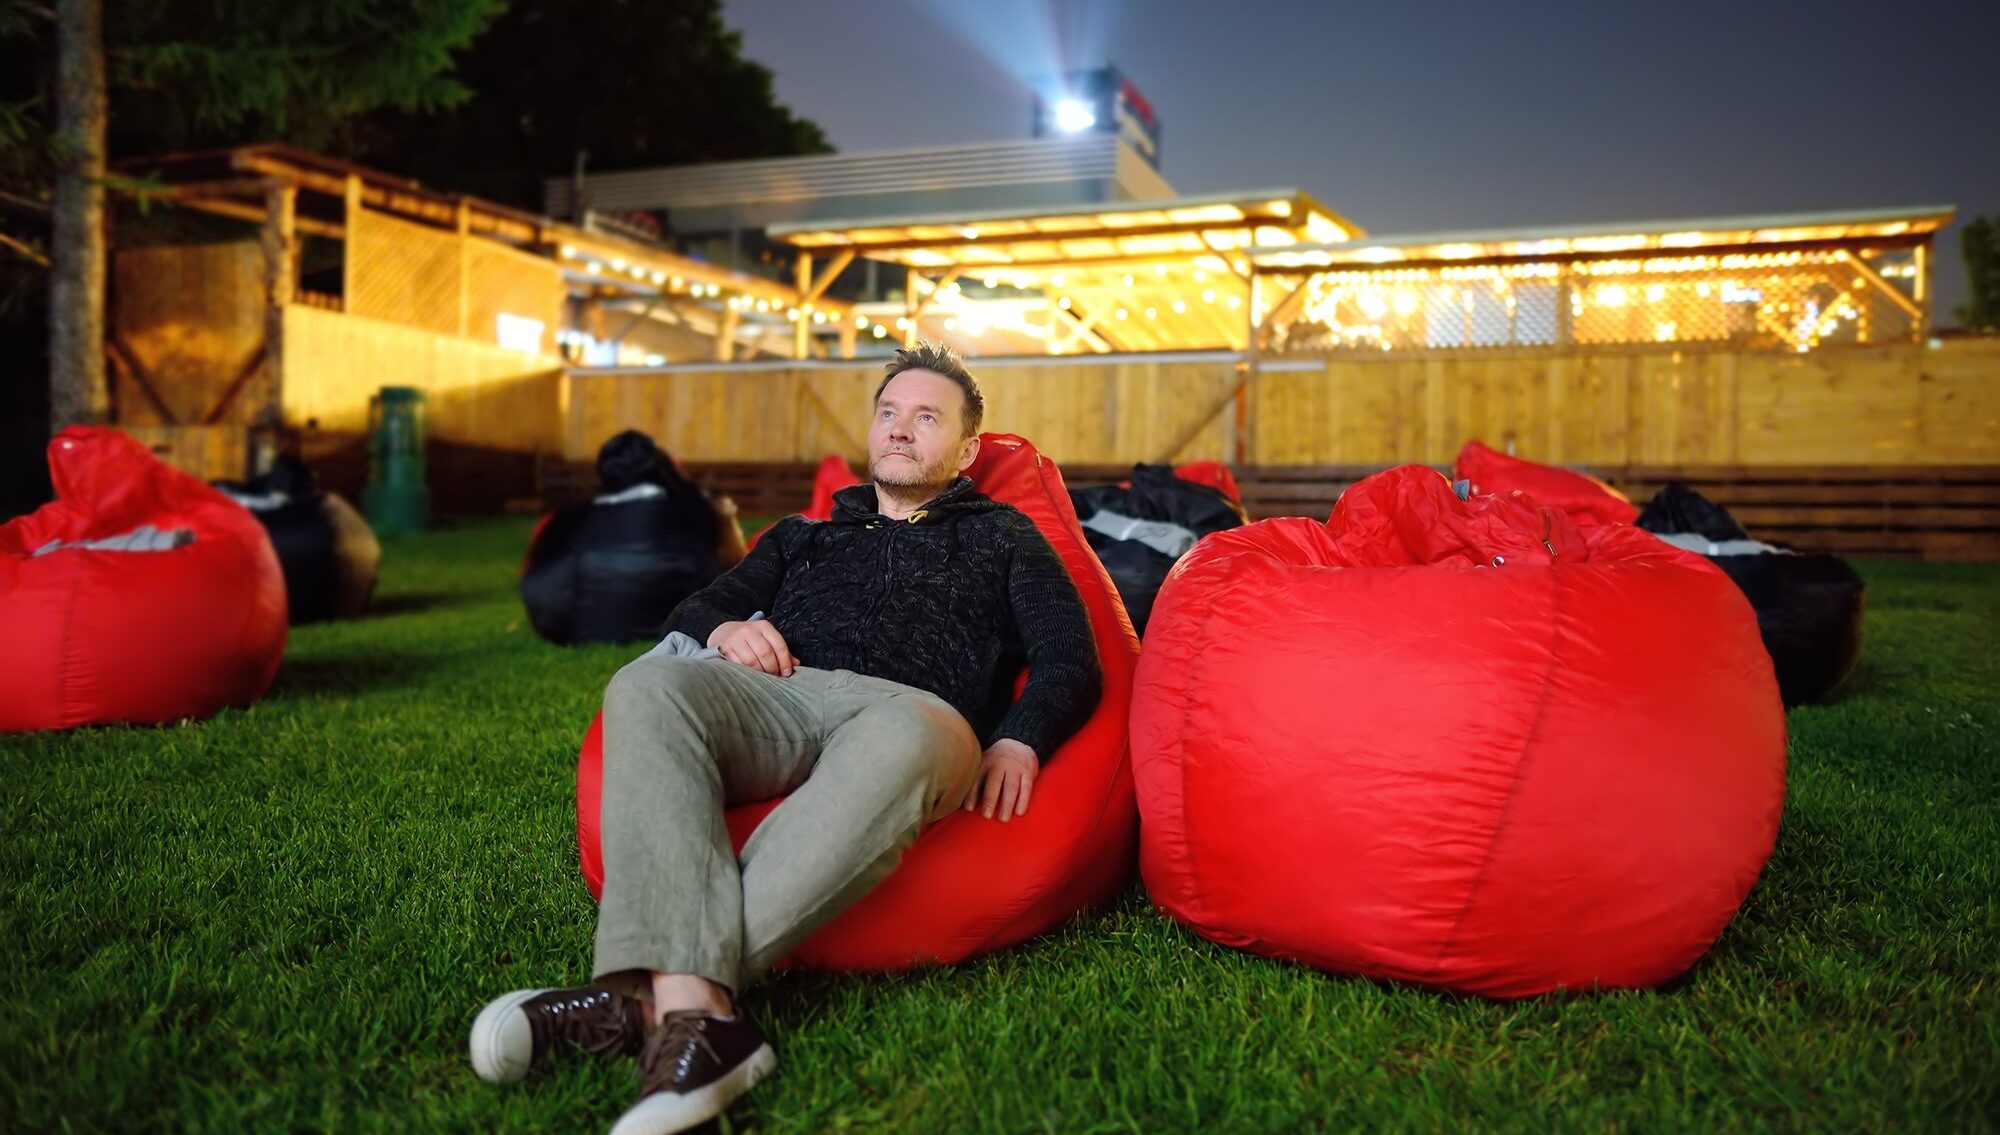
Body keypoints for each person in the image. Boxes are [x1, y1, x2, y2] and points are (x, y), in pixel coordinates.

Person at [471, 343, 1103, 1135]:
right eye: (889, 412)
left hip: (912, 713)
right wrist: (731, 625)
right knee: (646, 683)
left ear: (968, 450)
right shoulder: (801, 536)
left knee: (906, 735)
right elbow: (690, 616)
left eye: (927, 417)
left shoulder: (1004, 535)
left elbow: (1072, 657)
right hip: (776, 699)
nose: (901, 429)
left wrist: (1021, 737)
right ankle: (695, 1014)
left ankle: (639, 1000)